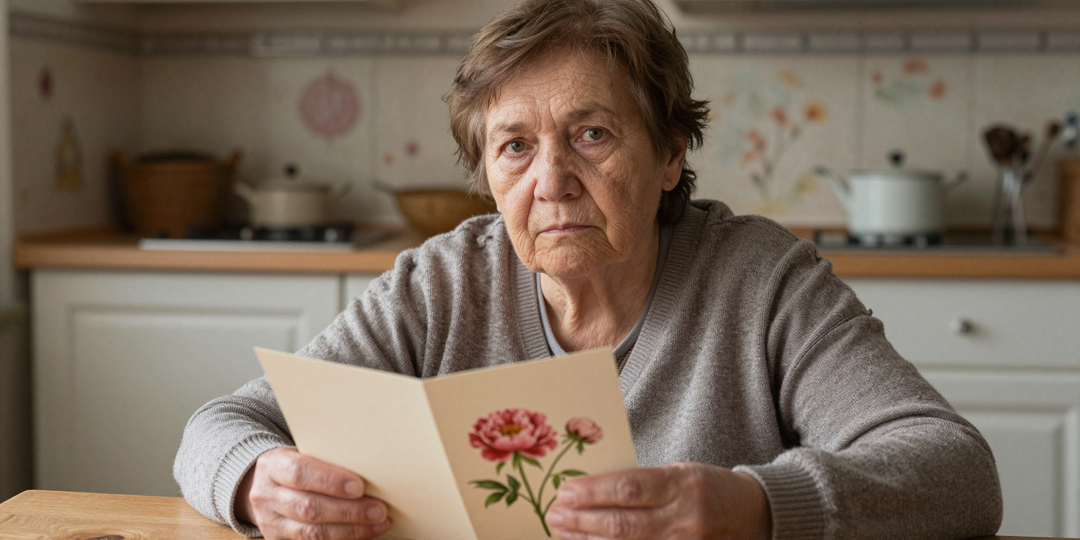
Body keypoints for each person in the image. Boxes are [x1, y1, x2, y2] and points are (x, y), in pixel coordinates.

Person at [174, 0, 1003, 538]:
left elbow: (957, 472)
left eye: (593, 135)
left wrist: (757, 505)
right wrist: (257, 482)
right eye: (515, 146)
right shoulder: (441, 282)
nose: (552, 180)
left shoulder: (761, 279)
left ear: (670, 154)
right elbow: (222, 425)